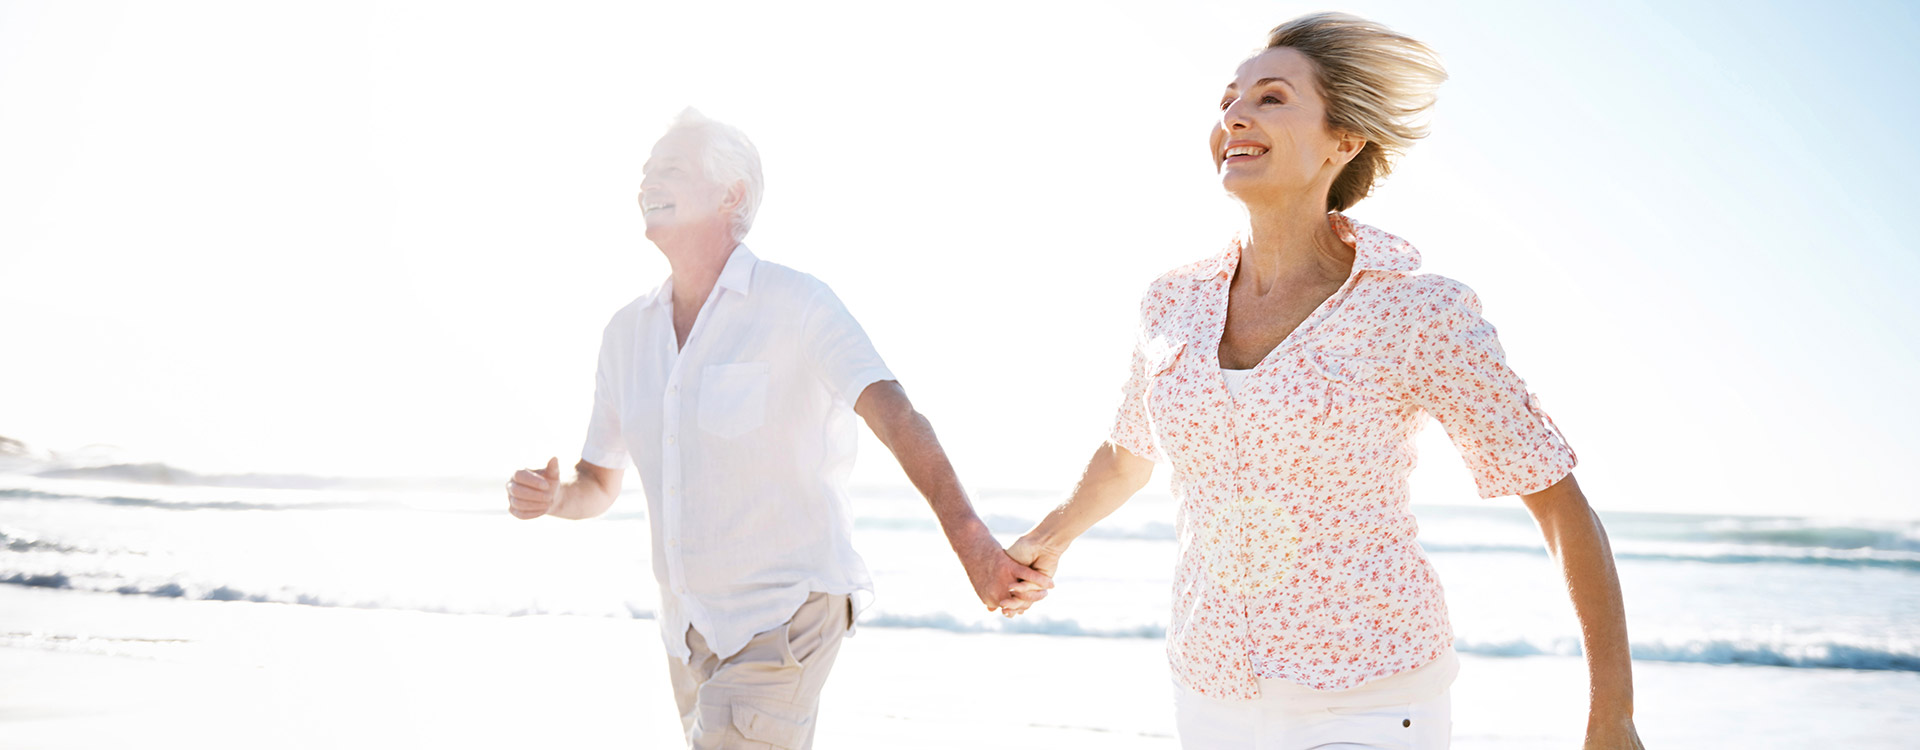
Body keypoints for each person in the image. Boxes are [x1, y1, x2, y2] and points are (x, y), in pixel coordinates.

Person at [998, 13, 1645, 749]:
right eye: (1228, 101)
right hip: (1208, 690)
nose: (1235, 114)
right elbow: (1128, 453)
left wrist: (1611, 717)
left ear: (1344, 140)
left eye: (1271, 98)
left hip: (1372, 699)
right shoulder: (1171, 301)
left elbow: (1557, 500)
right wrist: (1049, 539)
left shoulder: (1415, 311)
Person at [505, 108, 1051, 750]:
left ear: (730, 194)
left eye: (671, 166)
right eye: (647, 168)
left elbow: (897, 415)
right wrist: (555, 497)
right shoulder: (626, 334)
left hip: (788, 614)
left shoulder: (797, 304)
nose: (648, 178)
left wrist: (973, 543)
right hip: (687, 635)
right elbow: (597, 479)